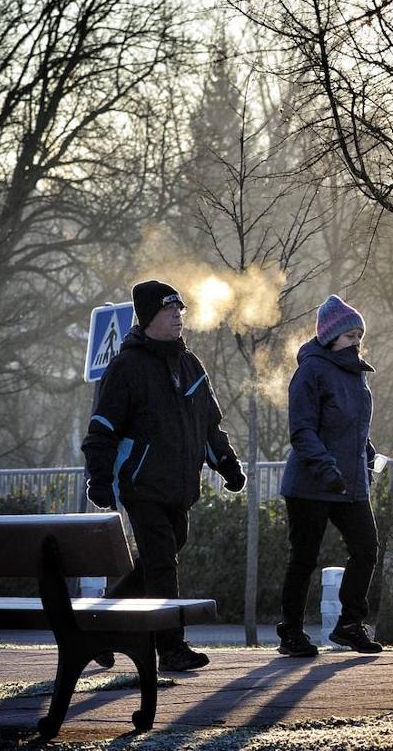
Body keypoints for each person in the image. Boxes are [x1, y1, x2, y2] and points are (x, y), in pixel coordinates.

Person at [81, 279, 246, 671]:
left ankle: (95, 627)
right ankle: (170, 647)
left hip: (179, 487)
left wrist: (227, 464)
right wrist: (99, 479)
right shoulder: (126, 367)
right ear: (149, 317)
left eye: (180, 312)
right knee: (161, 562)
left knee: (160, 559)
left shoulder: (191, 365)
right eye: (169, 311)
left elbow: (209, 425)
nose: (178, 318)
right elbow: (101, 429)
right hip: (142, 485)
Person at [276, 294, 383, 656]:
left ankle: (350, 624)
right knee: (304, 559)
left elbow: (353, 427)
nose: (357, 342)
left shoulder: (355, 375)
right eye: (350, 335)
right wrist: (326, 469)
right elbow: (302, 430)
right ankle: (290, 633)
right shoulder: (311, 371)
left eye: (359, 335)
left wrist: (367, 455)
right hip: (311, 484)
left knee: (366, 548)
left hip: (349, 483)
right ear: (330, 337)